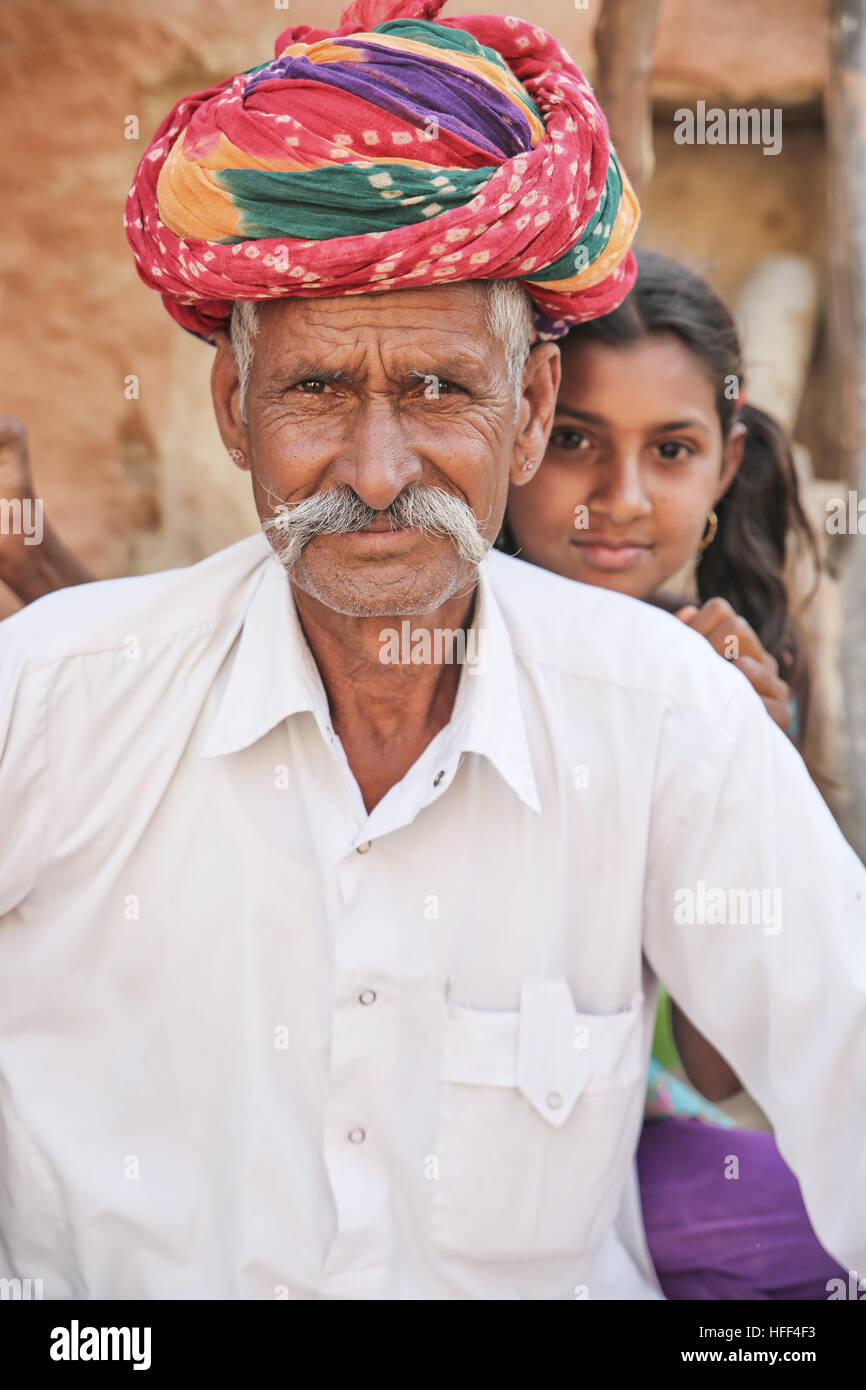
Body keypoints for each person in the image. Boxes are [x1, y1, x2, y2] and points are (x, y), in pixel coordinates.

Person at [1, 0, 865, 1302]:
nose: (378, 470)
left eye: (436, 390)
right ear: (233, 407)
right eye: (315, 390)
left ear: (527, 412)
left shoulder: (661, 717)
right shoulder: (50, 704)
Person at [504, 247, 846, 1298]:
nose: (619, 497)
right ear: (514, 432)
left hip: (647, 1133)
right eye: (573, 441)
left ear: (724, 463)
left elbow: (721, 1064)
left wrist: (754, 768)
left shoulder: (717, 677)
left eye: (670, 449)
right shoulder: (436, 651)